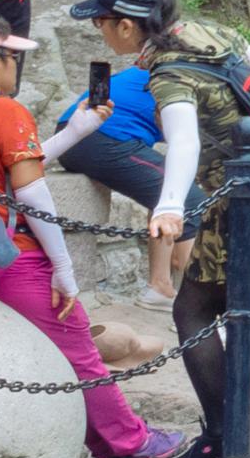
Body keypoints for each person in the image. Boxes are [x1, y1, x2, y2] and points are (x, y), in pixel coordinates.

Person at [0, 11, 187, 458]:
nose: (16, 66)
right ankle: (131, 444)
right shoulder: (5, 110)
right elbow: (31, 192)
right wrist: (63, 268)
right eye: (13, 57)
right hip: (6, 256)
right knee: (79, 352)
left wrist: (75, 131)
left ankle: (111, 444)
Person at [67, 0, 250, 458]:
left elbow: (184, 140)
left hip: (232, 196)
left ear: (127, 28)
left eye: (103, 22)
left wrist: (170, 205)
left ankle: (221, 432)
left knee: (191, 312)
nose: (100, 31)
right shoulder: (213, 34)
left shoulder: (166, 69)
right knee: (241, 298)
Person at [48, 46, 173, 299]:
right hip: (101, 137)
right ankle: (164, 287)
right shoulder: (175, 80)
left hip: (73, 133)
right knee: (181, 194)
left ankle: (162, 286)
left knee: (171, 188)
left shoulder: (139, 75)